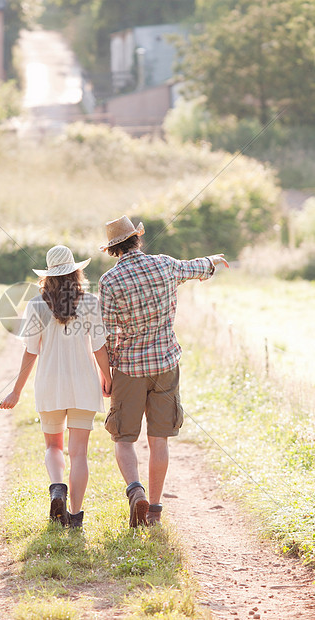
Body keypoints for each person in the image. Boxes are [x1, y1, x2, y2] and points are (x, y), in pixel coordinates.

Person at [98, 215, 229, 527]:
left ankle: (135, 491)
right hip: (166, 364)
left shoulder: (109, 282)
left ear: (113, 249)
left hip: (129, 368)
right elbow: (195, 267)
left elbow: (102, 333)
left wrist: (107, 373)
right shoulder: (166, 264)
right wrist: (213, 261)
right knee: (160, 440)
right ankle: (154, 511)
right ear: (137, 239)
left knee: (124, 439)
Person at [0, 245, 112, 529]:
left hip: (49, 385)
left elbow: (30, 353)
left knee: (53, 446)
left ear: (48, 276)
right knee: (79, 453)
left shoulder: (36, 305)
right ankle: (75, 516)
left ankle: (57, 487)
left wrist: (16, 391)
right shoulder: (91, 302)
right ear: (76, 272)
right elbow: (99, 347)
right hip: (84, 384)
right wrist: (107, 376)